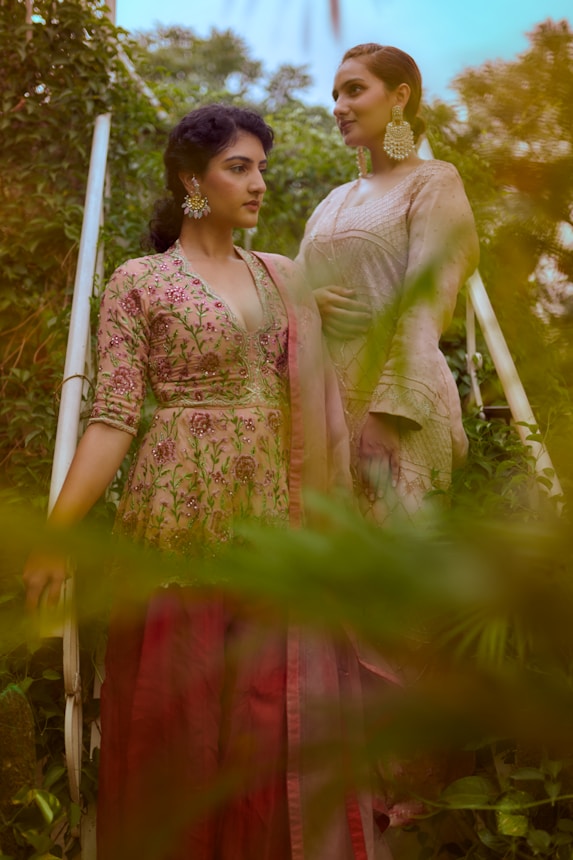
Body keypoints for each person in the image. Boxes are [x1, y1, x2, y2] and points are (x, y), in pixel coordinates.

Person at [23, 105, 381, 860]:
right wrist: (55, 537)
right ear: (193, 181)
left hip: (273, 531)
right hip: (175, 528)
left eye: (261, 166)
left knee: (265, 734)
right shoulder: (140, 282)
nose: (258, 182)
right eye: (238, 167)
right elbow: (114, 416)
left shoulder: (282, 278)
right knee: (176, 732)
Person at [297, 44, 480, 524]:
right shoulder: (332, 201)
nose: (338, 107)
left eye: (354, 90)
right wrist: (309, 302)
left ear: (400, 96)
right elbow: (291, 289)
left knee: (389, 571)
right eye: (335, 94)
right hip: (326, 417)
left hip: (399, 415)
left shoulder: (434, 182)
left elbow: (429, 304)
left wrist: (390, 413)